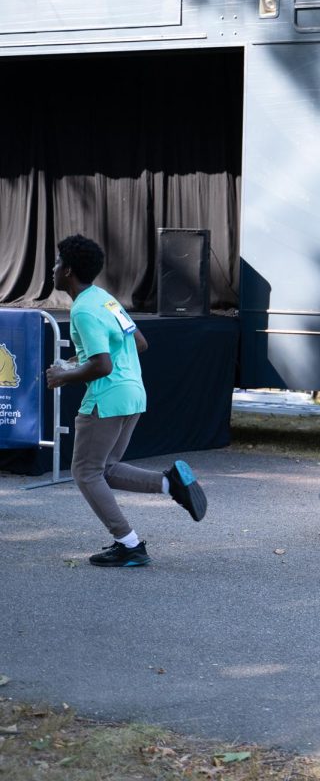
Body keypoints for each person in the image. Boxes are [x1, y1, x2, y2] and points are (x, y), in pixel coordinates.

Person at [45, 234, 207, 568]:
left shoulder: (83, 311)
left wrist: (64, 376)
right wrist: (78, 361)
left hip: (106, 398)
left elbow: (102, 364)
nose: (54, 268)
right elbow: (140, 343)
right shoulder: (105, 300)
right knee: (105, 469)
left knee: (85, 472)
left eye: (58, 263)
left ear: (69, 271)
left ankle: (128, 543)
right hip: (133, 393)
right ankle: (171, 483)